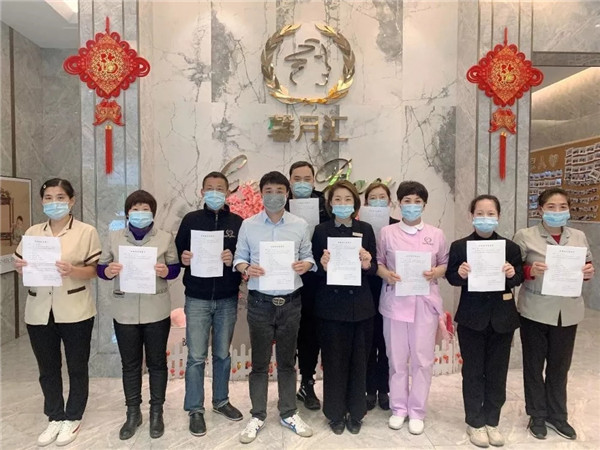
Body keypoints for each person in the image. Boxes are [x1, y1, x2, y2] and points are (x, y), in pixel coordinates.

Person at [13, 178, 101, 447]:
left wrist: (72, 270)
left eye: (60, 197)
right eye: (49, 198)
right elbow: (20, 261)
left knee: (77, 366)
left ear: (71, 201)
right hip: (39, 310)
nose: (54, 203)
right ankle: (55, 416)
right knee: (47, 368)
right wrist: (20, 268)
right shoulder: (33, 233)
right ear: (42, 202)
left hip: (75, 309)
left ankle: (73, 416)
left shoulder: (86, 232)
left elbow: (94, 271)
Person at [233, 171, 315, 444]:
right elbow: (239, 258)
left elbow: (309, 256)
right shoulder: (249, 225)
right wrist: (247, 268)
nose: (274, 196)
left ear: (287, 193)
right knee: (259, 363)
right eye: (268, 191)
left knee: (287, 362)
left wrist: (306, 265)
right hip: (260, 303)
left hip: (290, 302)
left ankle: (288, 412)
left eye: (279, 191)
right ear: (261, 194)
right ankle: (257, 415)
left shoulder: (300, 224)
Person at [97, 190, 180, 440]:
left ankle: (156, 412)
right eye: (135, 209)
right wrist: (108, 271)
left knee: (157, 363)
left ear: (152, 212)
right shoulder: (114, 237)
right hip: (125, 311)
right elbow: (101, 268)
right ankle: (133, 413)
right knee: (130, 364)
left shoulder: (165, 237)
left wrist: (165, 271)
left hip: (156, 310)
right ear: (127, 213)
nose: (140, 213)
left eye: (145, 209)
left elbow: (175, 268)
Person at [513, 187, 594, 441]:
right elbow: (514, 271)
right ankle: (537, 415)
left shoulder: (578, 236)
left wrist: (588, 272)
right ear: (540, 210)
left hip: (567, 311)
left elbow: (587, 264)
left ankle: (557, 415)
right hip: (535, 310)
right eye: (551, 207)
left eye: (562, 207)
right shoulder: (525, 236)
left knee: (560, 367)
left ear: (568, 210)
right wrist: (530, 271)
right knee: (534, 365)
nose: (557, 211)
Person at [446, 195, 524, 448]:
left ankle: (492, 421)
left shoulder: (510, 247)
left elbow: (518, 278)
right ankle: (475, 422)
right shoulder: (460, 246)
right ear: (471, 216)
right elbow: (451, 277)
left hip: (502, 318)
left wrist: (511, 274)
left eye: (491, 213)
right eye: (480, 213)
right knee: (472, 372)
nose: (485, 218)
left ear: (498, 216)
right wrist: (460, 273)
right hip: (472, 318)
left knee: (497, 372)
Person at [175, 171, 244, 437]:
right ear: (202, 191)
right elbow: (177, 255)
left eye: (220, 188)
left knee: (223, 354)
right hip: (197, 298)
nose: (215, 192)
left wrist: (233, 259)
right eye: (210, 188)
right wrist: (184, 258)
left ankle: (221, 401)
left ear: (227, 192)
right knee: (195, 357)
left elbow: (245, 257)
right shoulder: (191, 220)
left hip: (227, 297)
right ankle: (195, 409)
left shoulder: (237, 223)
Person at [376, 180, 448, 435]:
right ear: (399, 203)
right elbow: (379, 263)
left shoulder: (436, 234)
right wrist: (387, 274)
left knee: (422, 360)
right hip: (395, 303)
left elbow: (444, 263)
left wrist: (435, 272)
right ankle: (398, 408)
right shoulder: (387, 233)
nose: (412, 205)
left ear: (424, 205)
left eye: (417, 201)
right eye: (407, 201)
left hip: (424, 304)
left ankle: (417, 411)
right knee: (396, 359)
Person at [312, 180, 377, 435]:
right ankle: (335, 413)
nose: (342, 204)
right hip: (330, 307)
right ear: (330, 204)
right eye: (337, 199)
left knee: (359, 362)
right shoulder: (321, 231)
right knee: (334, 362)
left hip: (360, 307)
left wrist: (367, 263)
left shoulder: (366, 229)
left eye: (347, 199)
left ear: (355, 203)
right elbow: (313, 269)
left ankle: (356, 412)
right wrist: (322, 265)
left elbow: (374, 267)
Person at [285, 160, 329, 410]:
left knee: (310, 334)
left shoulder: (325, 204)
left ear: (314, 181)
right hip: (286, 279)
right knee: (288, 334)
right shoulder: (280, 202)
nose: (302, 183)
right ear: (290, 180)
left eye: (307, 179)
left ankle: (307, 383)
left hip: (316, 281)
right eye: (297, 179)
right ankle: (286, 386)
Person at [363, 181, 399, 411]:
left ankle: (384, 390)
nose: (377, 201)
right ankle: (369, 389)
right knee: (368, 342)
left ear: (389, 201)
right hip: (366, 288)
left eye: (382, 197)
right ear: (365, 203)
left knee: (386, 343)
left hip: (391, 288)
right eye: (372, 198)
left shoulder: (397, 226)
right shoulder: (360, 227)